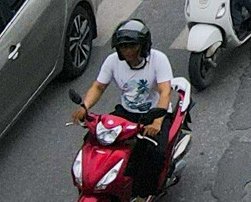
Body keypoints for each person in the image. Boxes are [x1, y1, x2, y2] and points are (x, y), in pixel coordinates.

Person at [72, 20, 175, 200]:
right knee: (92, 138)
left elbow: (165, 92)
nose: (127, 51)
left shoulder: (158, 59)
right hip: (126, 113)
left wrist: (157, 122)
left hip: (154, 113)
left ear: (143, 46)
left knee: (154, 153)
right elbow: (98, 87)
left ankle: (145, 194)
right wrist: (85, 107)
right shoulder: (112, 62)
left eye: (132, 46)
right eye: (123, 47)